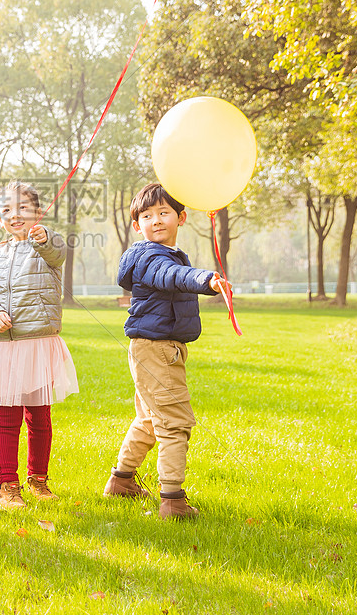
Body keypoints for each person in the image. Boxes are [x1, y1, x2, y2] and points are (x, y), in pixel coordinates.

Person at [104, 182, 228, 521]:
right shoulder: (150, 257)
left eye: (163, 213)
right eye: (147, 215)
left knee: (148, 419)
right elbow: (171, 275)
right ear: (137, 225)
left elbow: (173, 271)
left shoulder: (166, 254)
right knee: (174, 423)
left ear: (181, 217)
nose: (156, 220)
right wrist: (206, 280)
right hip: (156, 351)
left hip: (156, 348)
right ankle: (173, 500)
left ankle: (122, 480)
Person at [0, 182, 79, 511]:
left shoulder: (48, 242)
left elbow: (56, 252)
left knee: (40, 417)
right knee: (6, 418)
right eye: (5, 210)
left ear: (38, 212)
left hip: (39, 344)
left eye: (22, 207)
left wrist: (43, 236)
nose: (14, 215)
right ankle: (7, 484)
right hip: (8, 346)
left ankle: (38, 480)